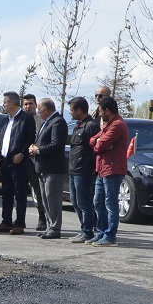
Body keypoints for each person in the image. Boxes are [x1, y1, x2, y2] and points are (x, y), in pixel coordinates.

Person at [0, 91, 36, 234]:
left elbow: (30, 137)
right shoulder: (6, 119)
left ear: (11, 103)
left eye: (4, 102)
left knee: (20, 192)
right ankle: (6, 221)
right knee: (6, 193)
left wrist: (22, 153)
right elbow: (3, 138)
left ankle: (19, 224)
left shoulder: (26, 118)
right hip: (5, 162)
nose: (3, 105)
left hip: (18, 162)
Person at [90, 96, 129, 247]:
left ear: (107, 110)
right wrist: (99, 142)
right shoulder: (108, 124)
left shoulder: (117, 125)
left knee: (110, 202)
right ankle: (101, 231)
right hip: (102, 168)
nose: (99, 115)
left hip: (113, 169)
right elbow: (93, 140)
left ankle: (110, 235)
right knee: (98, 201)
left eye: (100, 111)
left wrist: (100, 143)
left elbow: (100, 145)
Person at [29, 97, 68, 239]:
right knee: (45, 199)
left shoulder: (58, 122)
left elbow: (56, 145)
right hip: (43, 167)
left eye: (39, 109)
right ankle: (50, 226)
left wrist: (38, 150)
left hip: (53, 168)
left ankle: (55, 228)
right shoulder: (47, 122)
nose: (38, 112)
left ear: (45, 109)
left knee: (53, 199)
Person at [67, 97, 99, 243]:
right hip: (74, 170)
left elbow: (95, 150)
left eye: (71, 110)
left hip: (84, 171)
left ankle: (88, 231)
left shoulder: (91, 126)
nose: (70, 113)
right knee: (75, 201)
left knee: (84, 202)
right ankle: (83, 229)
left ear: (79, 110)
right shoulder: (78, 126)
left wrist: (92, 169)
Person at [22, 92, 45, 216]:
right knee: (19, 191)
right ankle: (19, 219)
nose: (28, 106)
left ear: (36, 105)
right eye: (25, 104)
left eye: (30, 104)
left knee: (38, 189)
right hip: (20, 159)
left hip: (35, 160)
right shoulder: (18, 120)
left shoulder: (41, 120)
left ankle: (42, 216)